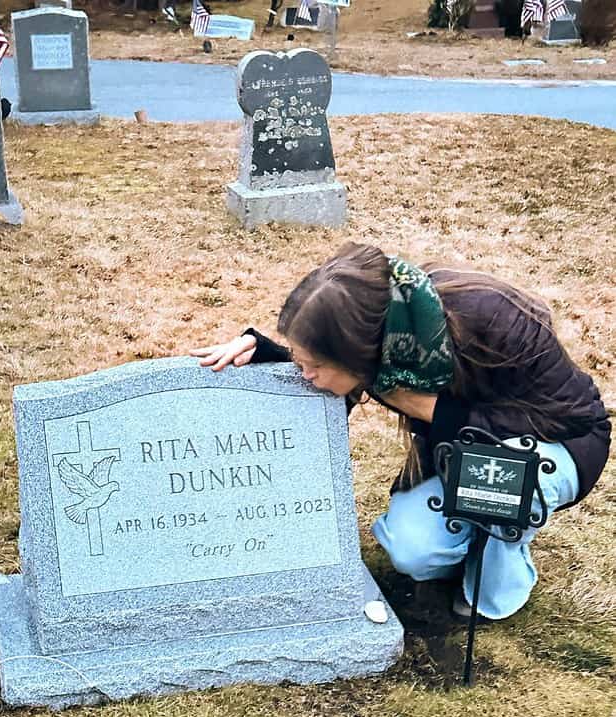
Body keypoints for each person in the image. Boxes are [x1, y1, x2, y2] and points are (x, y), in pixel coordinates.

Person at [191, 243, 611, 620]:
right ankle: (470, 534)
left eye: (312, 365)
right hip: (455, 454)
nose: (307, 376)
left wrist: (438, 413)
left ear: (358, 351)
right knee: (411, 549)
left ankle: (498, 575)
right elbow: (336, 377)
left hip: (557, 447)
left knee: (505, 494)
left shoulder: (491, 316)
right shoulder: (387, 343)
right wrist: (272, 359)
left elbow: (569, 418)